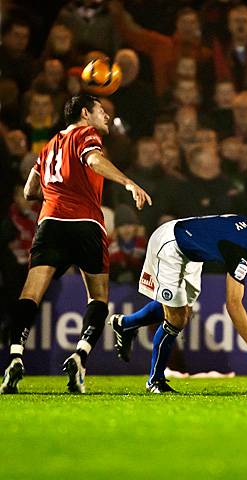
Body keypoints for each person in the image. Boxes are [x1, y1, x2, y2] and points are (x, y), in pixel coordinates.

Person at [0, 94, 152, 395]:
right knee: (98, 298)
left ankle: (15, 356)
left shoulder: (49, 146)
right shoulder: (87, 134)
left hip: (50, 224)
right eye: (101, 111)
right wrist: (128, 183)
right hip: (85, 224)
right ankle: (80, 356)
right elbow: (94, 160)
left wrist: (57, 192)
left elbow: (31, 190)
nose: (106, 117)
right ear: (85, 113)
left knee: (30, 294)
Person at [109, 213, 247, 393]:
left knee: (180, 312)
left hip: (192, 251)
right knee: (176, 319)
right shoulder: (242, 248)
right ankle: (155, 380)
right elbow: (233, 304)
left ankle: (125, 324)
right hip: (171, 243)